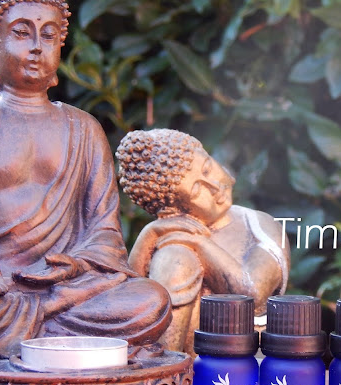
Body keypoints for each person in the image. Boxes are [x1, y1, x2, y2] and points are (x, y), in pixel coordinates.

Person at [0, 0, 171, 358]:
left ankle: (42, 322)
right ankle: (53, 330)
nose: (37, 46)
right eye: (22, 33)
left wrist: (77, 264)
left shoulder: (84, 129)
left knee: (151, 300)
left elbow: (105, 229)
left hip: (69, 289)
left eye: (49, 35)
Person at [116, 129, 290, 354]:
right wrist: (147, 238)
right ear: (172, 211)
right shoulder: (171, 244)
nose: (214, 186)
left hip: (247, 359)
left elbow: (254, 295)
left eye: (208, 168)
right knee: (174, 257)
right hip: (192, 359)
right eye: (197, 190)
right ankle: (167, 367)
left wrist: (201, 244)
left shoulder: (259, 224)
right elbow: (129, 314)